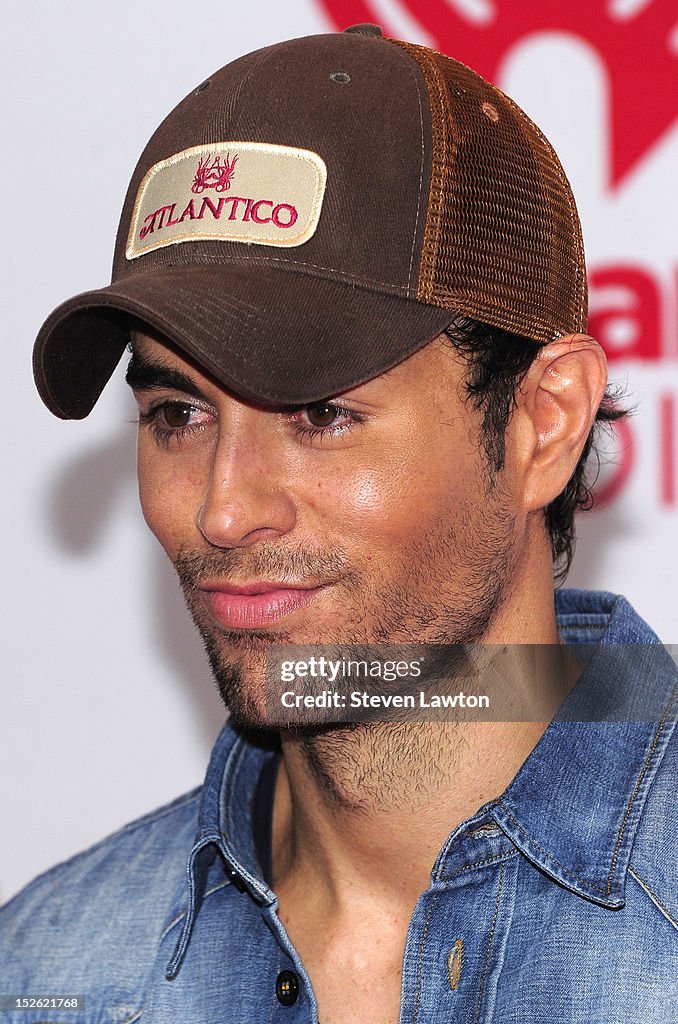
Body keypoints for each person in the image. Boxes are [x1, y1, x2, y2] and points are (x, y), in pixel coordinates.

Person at [1, 24, 676, 1023]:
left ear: (544, 424)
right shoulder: (46, 977)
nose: (225, 508)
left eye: (323, 414)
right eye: (177, 415)